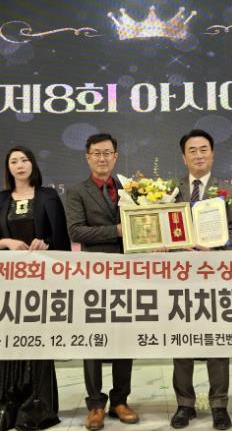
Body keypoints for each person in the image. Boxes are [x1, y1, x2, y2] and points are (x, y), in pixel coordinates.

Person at [0, 146, 70, 431]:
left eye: (25, 160)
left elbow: (62, 240)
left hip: (41, 281)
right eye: (14, 161)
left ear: (33, 164)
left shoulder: (49, 196)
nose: (20, 165)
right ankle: (4, 406)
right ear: (8, 168)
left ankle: (36, 408)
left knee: (37, 340)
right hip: (7, 281)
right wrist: (5, 242)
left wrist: (46, 243)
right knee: (9, 340)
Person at [170, 129, 232, 431]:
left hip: (214, 276)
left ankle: (219, 405)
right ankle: (184, 404)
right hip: (179, 277)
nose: (198, 155)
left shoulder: (227, 190)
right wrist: (176, 247)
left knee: (217, 342)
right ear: (183, 157)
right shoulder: (170, 190)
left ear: (212, 154)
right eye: (192, 150)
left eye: (204, 149)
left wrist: (215, 249)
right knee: (181, 342)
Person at [66, 133, 139, 431]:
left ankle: (120, 400)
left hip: (127, 274)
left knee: (124, 338)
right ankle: (95, 404)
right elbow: (76, 231)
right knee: (93, 339)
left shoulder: (132, 189)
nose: (102, 158)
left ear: (116, 156)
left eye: (107, 153)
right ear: (87, 157)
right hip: (93, 274)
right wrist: (117, 231)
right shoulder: (76, 192)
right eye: (96, 153)